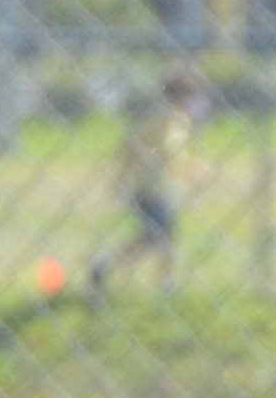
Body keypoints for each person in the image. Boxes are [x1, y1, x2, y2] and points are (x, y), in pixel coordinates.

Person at [89, 69, 209, 298]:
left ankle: (159, 282)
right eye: (191, 96)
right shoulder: (162, 119)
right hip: (148, 189)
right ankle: (109, 267)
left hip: (165, 189)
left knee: (162, 238)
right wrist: (121, 179)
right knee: (158, 238)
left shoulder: (178, 122)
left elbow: (174, 156)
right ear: (180, 97)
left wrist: (193, 169)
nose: (195, 103)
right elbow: (135, 147)